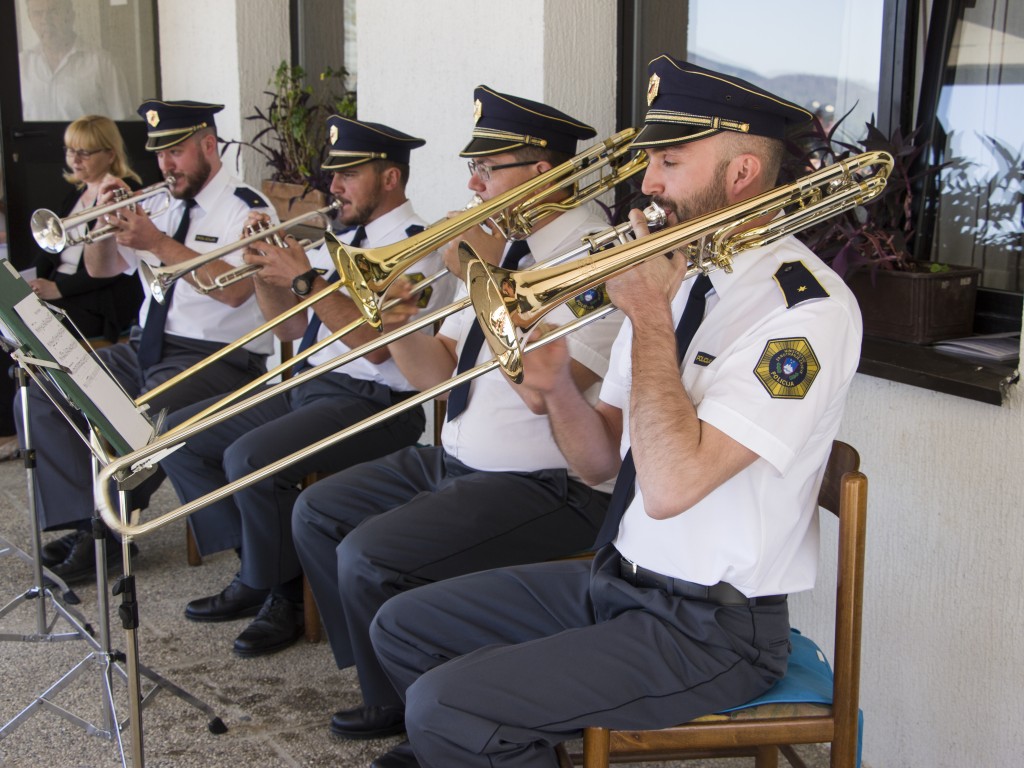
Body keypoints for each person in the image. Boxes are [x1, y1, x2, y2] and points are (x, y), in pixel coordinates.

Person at [367, 56, 864, 768]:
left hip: (710, 630)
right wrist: (557, 389)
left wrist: (650, 319)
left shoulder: (804, 312)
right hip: (619, 578)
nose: (647, 184)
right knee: (404, 627)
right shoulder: (675, 277)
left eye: (668, 161)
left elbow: (669, 488)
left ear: (743, 173)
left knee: (446, 703)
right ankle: (472, 747)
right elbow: (600, 459)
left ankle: (468, 736)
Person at [291, 85, 623, 746]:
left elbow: (545, 387)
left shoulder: (594, 254)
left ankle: (434, 724)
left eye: (489, 167)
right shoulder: (509, 246)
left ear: (541, 172)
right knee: (318, 514)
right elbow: (441, 375)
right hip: (457, 460)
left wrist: (482, 271)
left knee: (368, 555)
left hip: (547, 486)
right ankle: (395, 695)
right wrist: (393, 324)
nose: (472, 182)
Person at [159, 115, 457, 657]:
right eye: (332, 175)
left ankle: (283, 595)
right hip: (309, 387)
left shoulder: (419, 246)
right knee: (179, 433)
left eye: (348, 175)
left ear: (390, 179)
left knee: (251, 460)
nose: (333, 187)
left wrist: (306, 280)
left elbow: (378, 344)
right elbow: (293, 327)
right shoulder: (335, 241)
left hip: (375, 402)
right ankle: (261, 564)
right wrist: (261, 269)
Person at [18, 99, 277, 585]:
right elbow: (101, 269)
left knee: (137, 417)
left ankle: (108, 533)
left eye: (176, 153)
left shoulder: (245, 208)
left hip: (217, 357)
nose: (165, 166)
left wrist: (159, 243)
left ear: (207, 146)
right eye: (159, 155)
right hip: (145, 347)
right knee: (42, 389)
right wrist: (103, 217)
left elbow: (237, 289)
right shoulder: (157, 202)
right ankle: (87, 524)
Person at [29, 115, 144, 342]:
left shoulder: (122, 192)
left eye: (85, 152)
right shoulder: (76, 193)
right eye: (71, 150)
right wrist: (29, 281)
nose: (75, 159)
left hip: (98, 299)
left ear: (110, 154)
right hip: (61, 287)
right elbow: (51, 246)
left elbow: (113, 266)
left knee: (38, 326)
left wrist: (58, 289)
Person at [18, 0, 132, 122]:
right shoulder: (21, 64)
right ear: (30, 19)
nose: (45, 21)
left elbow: (123, 124)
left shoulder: (102, 63)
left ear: (71, 16)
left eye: (54, 11)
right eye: (38, 13)